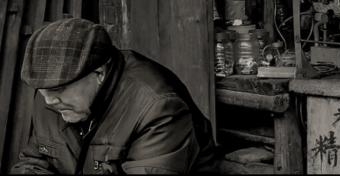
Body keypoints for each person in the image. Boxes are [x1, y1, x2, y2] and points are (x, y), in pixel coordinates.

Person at [12, 17, 217, 174]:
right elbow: (35, 162)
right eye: (42, 90)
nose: (49, 100)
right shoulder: (51, 96)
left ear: (99, 73)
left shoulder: (157, 107)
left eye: (58, 89)